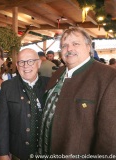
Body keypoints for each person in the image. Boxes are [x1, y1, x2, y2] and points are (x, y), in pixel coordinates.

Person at [39, 27, 116, 157]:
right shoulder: (57, 73)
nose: (69, 49)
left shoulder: (108, 77)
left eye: (75, 43)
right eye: (64, 45)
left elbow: (110, 138)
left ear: (88, 47)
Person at [0, 48, 49, 160]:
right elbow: (1, 124)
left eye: (30, 61)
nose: (26, 66)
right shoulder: (7, 87)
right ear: (17, 65)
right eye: (21, 62)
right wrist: (3, 154)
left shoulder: (50, 84)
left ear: (38, 63)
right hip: (19, 153)